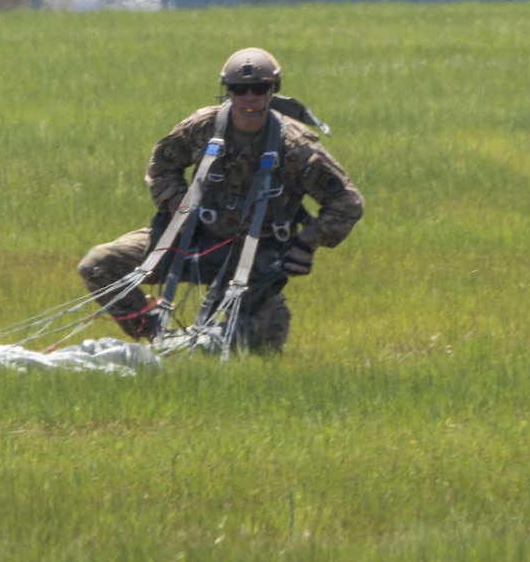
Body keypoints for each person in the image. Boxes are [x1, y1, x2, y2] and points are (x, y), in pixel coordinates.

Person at [77, 48, 364, 352]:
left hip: (258, 258)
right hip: (194, 242)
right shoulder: (202, 127)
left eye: (260, 88)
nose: (249, 97)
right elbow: (162, 168)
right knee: (98, 265)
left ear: (273, 90)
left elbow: (347, 202)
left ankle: (213, 343)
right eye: (239, 89)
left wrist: (307, 242)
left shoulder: (296, 146)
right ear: (228, 91)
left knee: (263, 342)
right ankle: (158, 338)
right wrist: (179, 205)